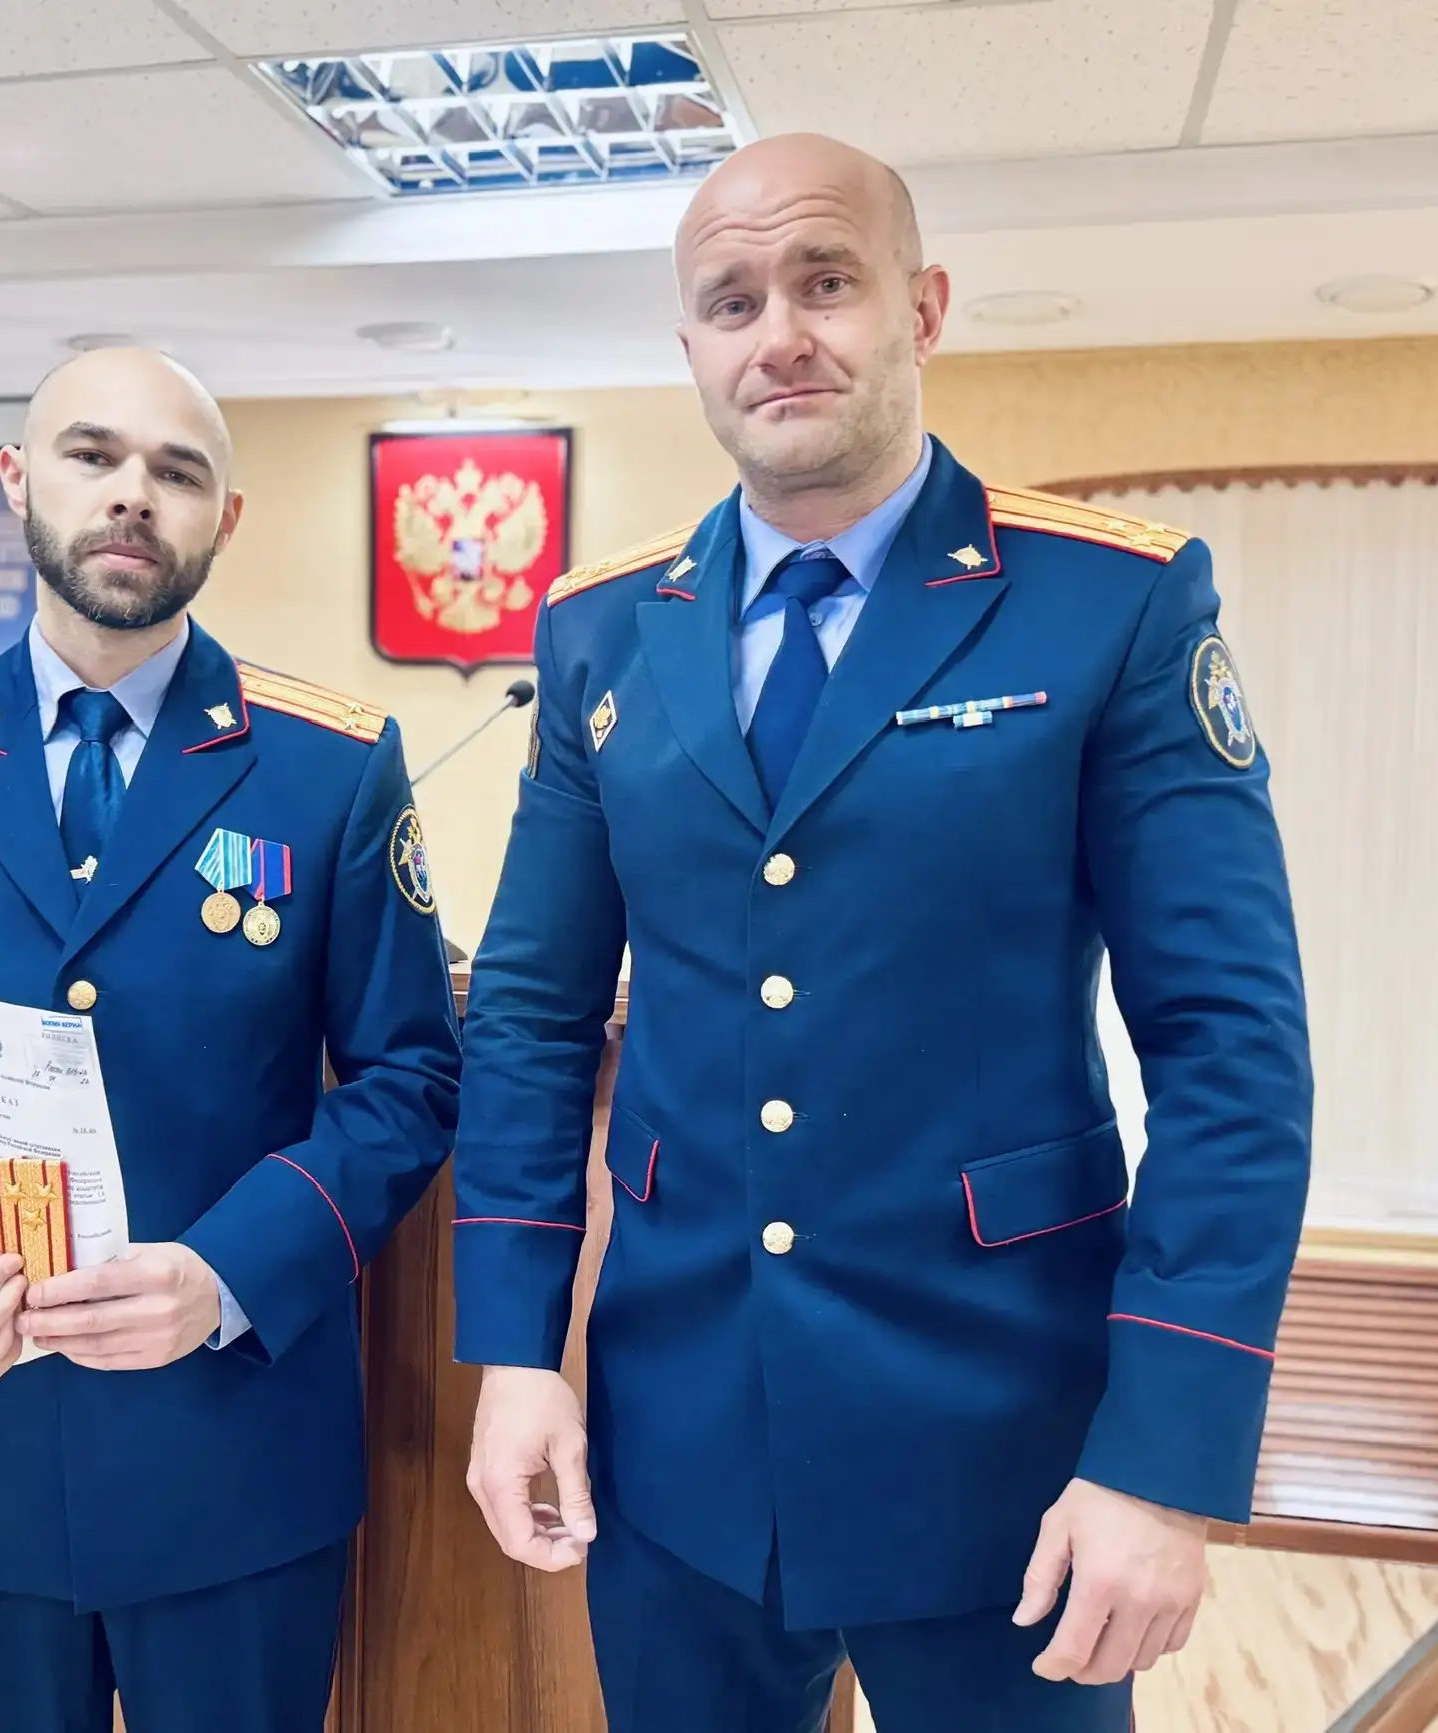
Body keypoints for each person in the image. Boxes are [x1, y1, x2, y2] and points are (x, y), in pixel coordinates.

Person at [452, 134, 1311, 1732]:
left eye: (826, 282)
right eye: (732, 302)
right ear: (691, 346)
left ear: (921, 307)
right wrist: (513, 1351)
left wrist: (1164, 1456)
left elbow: (1229, 1048)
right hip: (678, 1440)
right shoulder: (600, 631)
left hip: (1006, 1451)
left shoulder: (1108, 603)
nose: (779, 333)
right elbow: (529, 1011)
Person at [0, 348, 461, 1733]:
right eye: (92, 456)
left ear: (223, 521)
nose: (133, 494)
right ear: (18, 481)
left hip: (233, 1457)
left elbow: (411, 1080)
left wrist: (232, 1270)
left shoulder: (329, 764)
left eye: (177, 472)